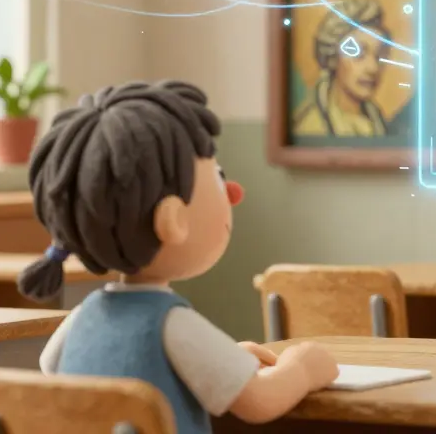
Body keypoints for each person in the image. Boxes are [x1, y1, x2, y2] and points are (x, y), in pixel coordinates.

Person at [18, 81, 339, 433]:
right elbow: (260, 402)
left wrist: (223, 362)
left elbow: (52, 368)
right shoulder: (174, 324)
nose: (233, 193)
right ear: (174, 220)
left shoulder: (82, 316)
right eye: (218, 179)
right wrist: (303, 367)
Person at [292, 0, 391, 138]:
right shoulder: (313, 127)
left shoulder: (378, 122)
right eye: (358, 53)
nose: (373, 68)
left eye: (380, 56)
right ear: (333, 57)